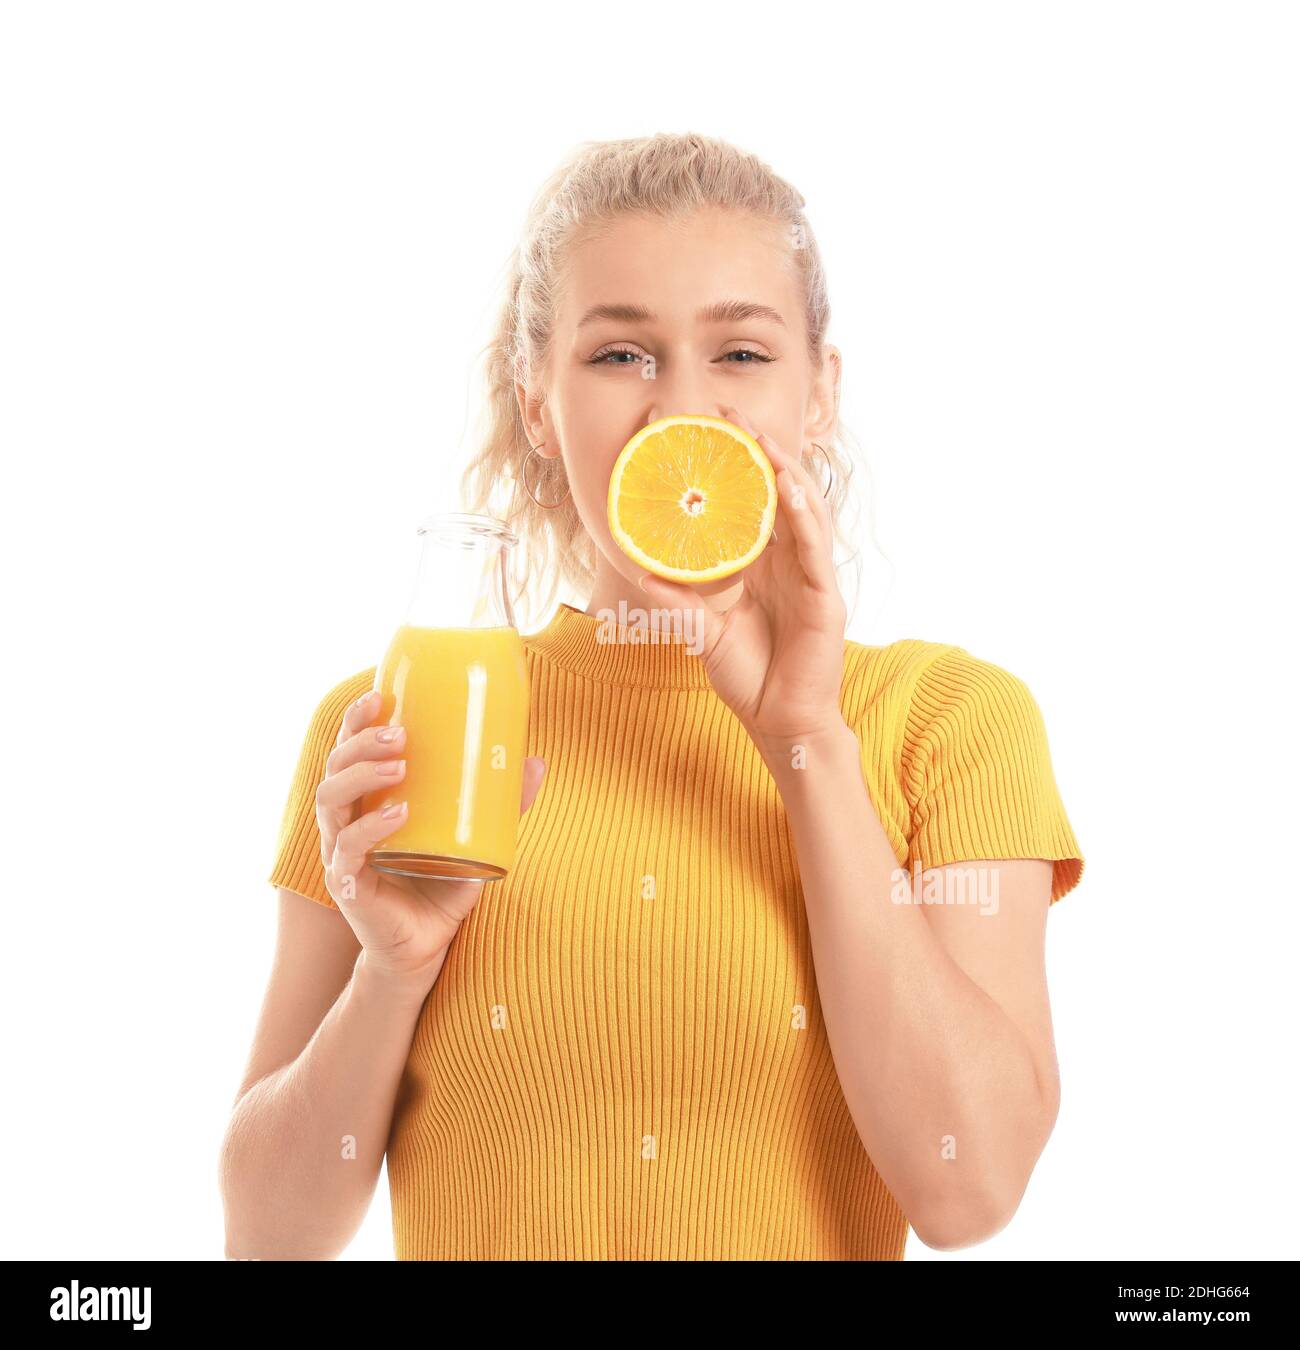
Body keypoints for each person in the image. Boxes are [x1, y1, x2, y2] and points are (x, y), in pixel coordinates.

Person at [219, 131, 1085, 1261]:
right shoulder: (404, 716)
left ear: (818, 392)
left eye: (738, 354)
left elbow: (968, 1192)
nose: (681, 409)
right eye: (620, 355)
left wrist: (806, 739)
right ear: (536, 405)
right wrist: (393, 974)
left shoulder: (944, 722)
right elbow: (267, 1240)